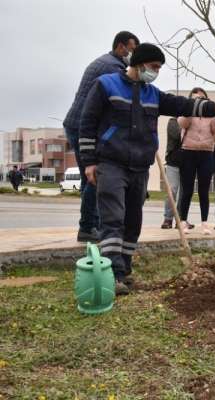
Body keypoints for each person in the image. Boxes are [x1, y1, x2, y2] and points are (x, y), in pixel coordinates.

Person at [79, 43, 215, 295]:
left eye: (159, 68)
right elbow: (86, 124)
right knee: (113, 218)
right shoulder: (106, 85)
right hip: (111, 163)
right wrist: (89, 162)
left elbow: (184, 106)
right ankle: (112, 274)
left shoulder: (152, 93)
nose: (156, 72)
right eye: (154, 67)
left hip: (140, 166)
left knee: (133, 220)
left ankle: (125, 270)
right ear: (139, 63)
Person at [64, 31, 139, 243]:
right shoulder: (113, 68)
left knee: (89, 178)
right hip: (84, 126)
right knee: (95, 175)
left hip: (76, 124)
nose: (133, 55)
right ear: (121, 47)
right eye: (132, 50)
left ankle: (90, 224)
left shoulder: (103, 62)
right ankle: (88, 226)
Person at [176, 88, 215, 235]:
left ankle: (204, 223)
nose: (198, 100)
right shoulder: (185, 109)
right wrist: (192, 109)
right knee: (187, 189)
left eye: (201, 98)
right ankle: (183, 221)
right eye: (195, 98)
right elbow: (183, 124)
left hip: (206, 153)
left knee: (204, 190)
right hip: (188, 151)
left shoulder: (211, 112)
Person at [161, 117, 184, 229]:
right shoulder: (173, 122)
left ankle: (180, 219)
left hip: (187, 163)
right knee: (172, 190)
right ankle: (168, 219)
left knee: (183, 193)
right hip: (173, 162)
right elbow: (177, 135)